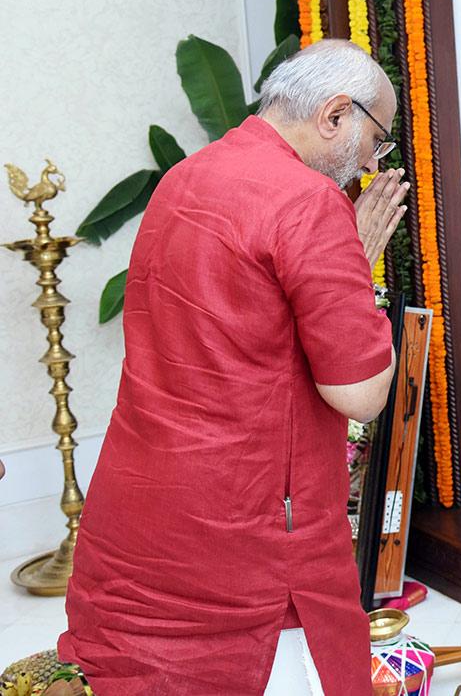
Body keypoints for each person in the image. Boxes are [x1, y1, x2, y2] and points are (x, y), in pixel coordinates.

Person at [58, 40, 410, 695]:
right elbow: (360, 394)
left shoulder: (186, 178)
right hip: (241, 523)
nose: (370, 162)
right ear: (335, 114)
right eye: (377, 139)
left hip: (144, 506)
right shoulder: (307, 201)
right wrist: (355, 262)